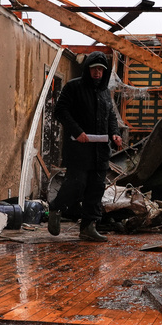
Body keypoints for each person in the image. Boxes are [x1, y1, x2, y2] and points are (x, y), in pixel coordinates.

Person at [48, 51, 123, 242]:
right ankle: (56, 207)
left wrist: (115, 133)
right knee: (77, 184)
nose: (97, 72)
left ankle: (88, 227)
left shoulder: (105, 92)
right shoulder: (74, 87)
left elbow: (111, 116)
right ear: (87, 69)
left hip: (100, 150)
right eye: (94, 69)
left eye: (100, 69)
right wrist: (77, 131)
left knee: (96, 188)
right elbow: (61, 111)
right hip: (79, 148)